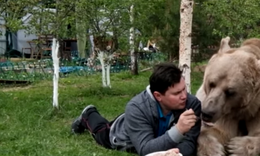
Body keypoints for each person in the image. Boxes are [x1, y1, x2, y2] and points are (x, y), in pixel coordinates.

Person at [71, 63, 201, 156]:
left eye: (184, 89)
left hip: (145, 127)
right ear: (158, 96)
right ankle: (88, 114)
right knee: (101, 130)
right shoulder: (136, 107)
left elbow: (190, 141)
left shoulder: (192, 104)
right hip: (122, 136)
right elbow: (145, 150)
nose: (184, 96)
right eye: (177, 93)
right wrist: (178, 130)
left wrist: (178, 154)